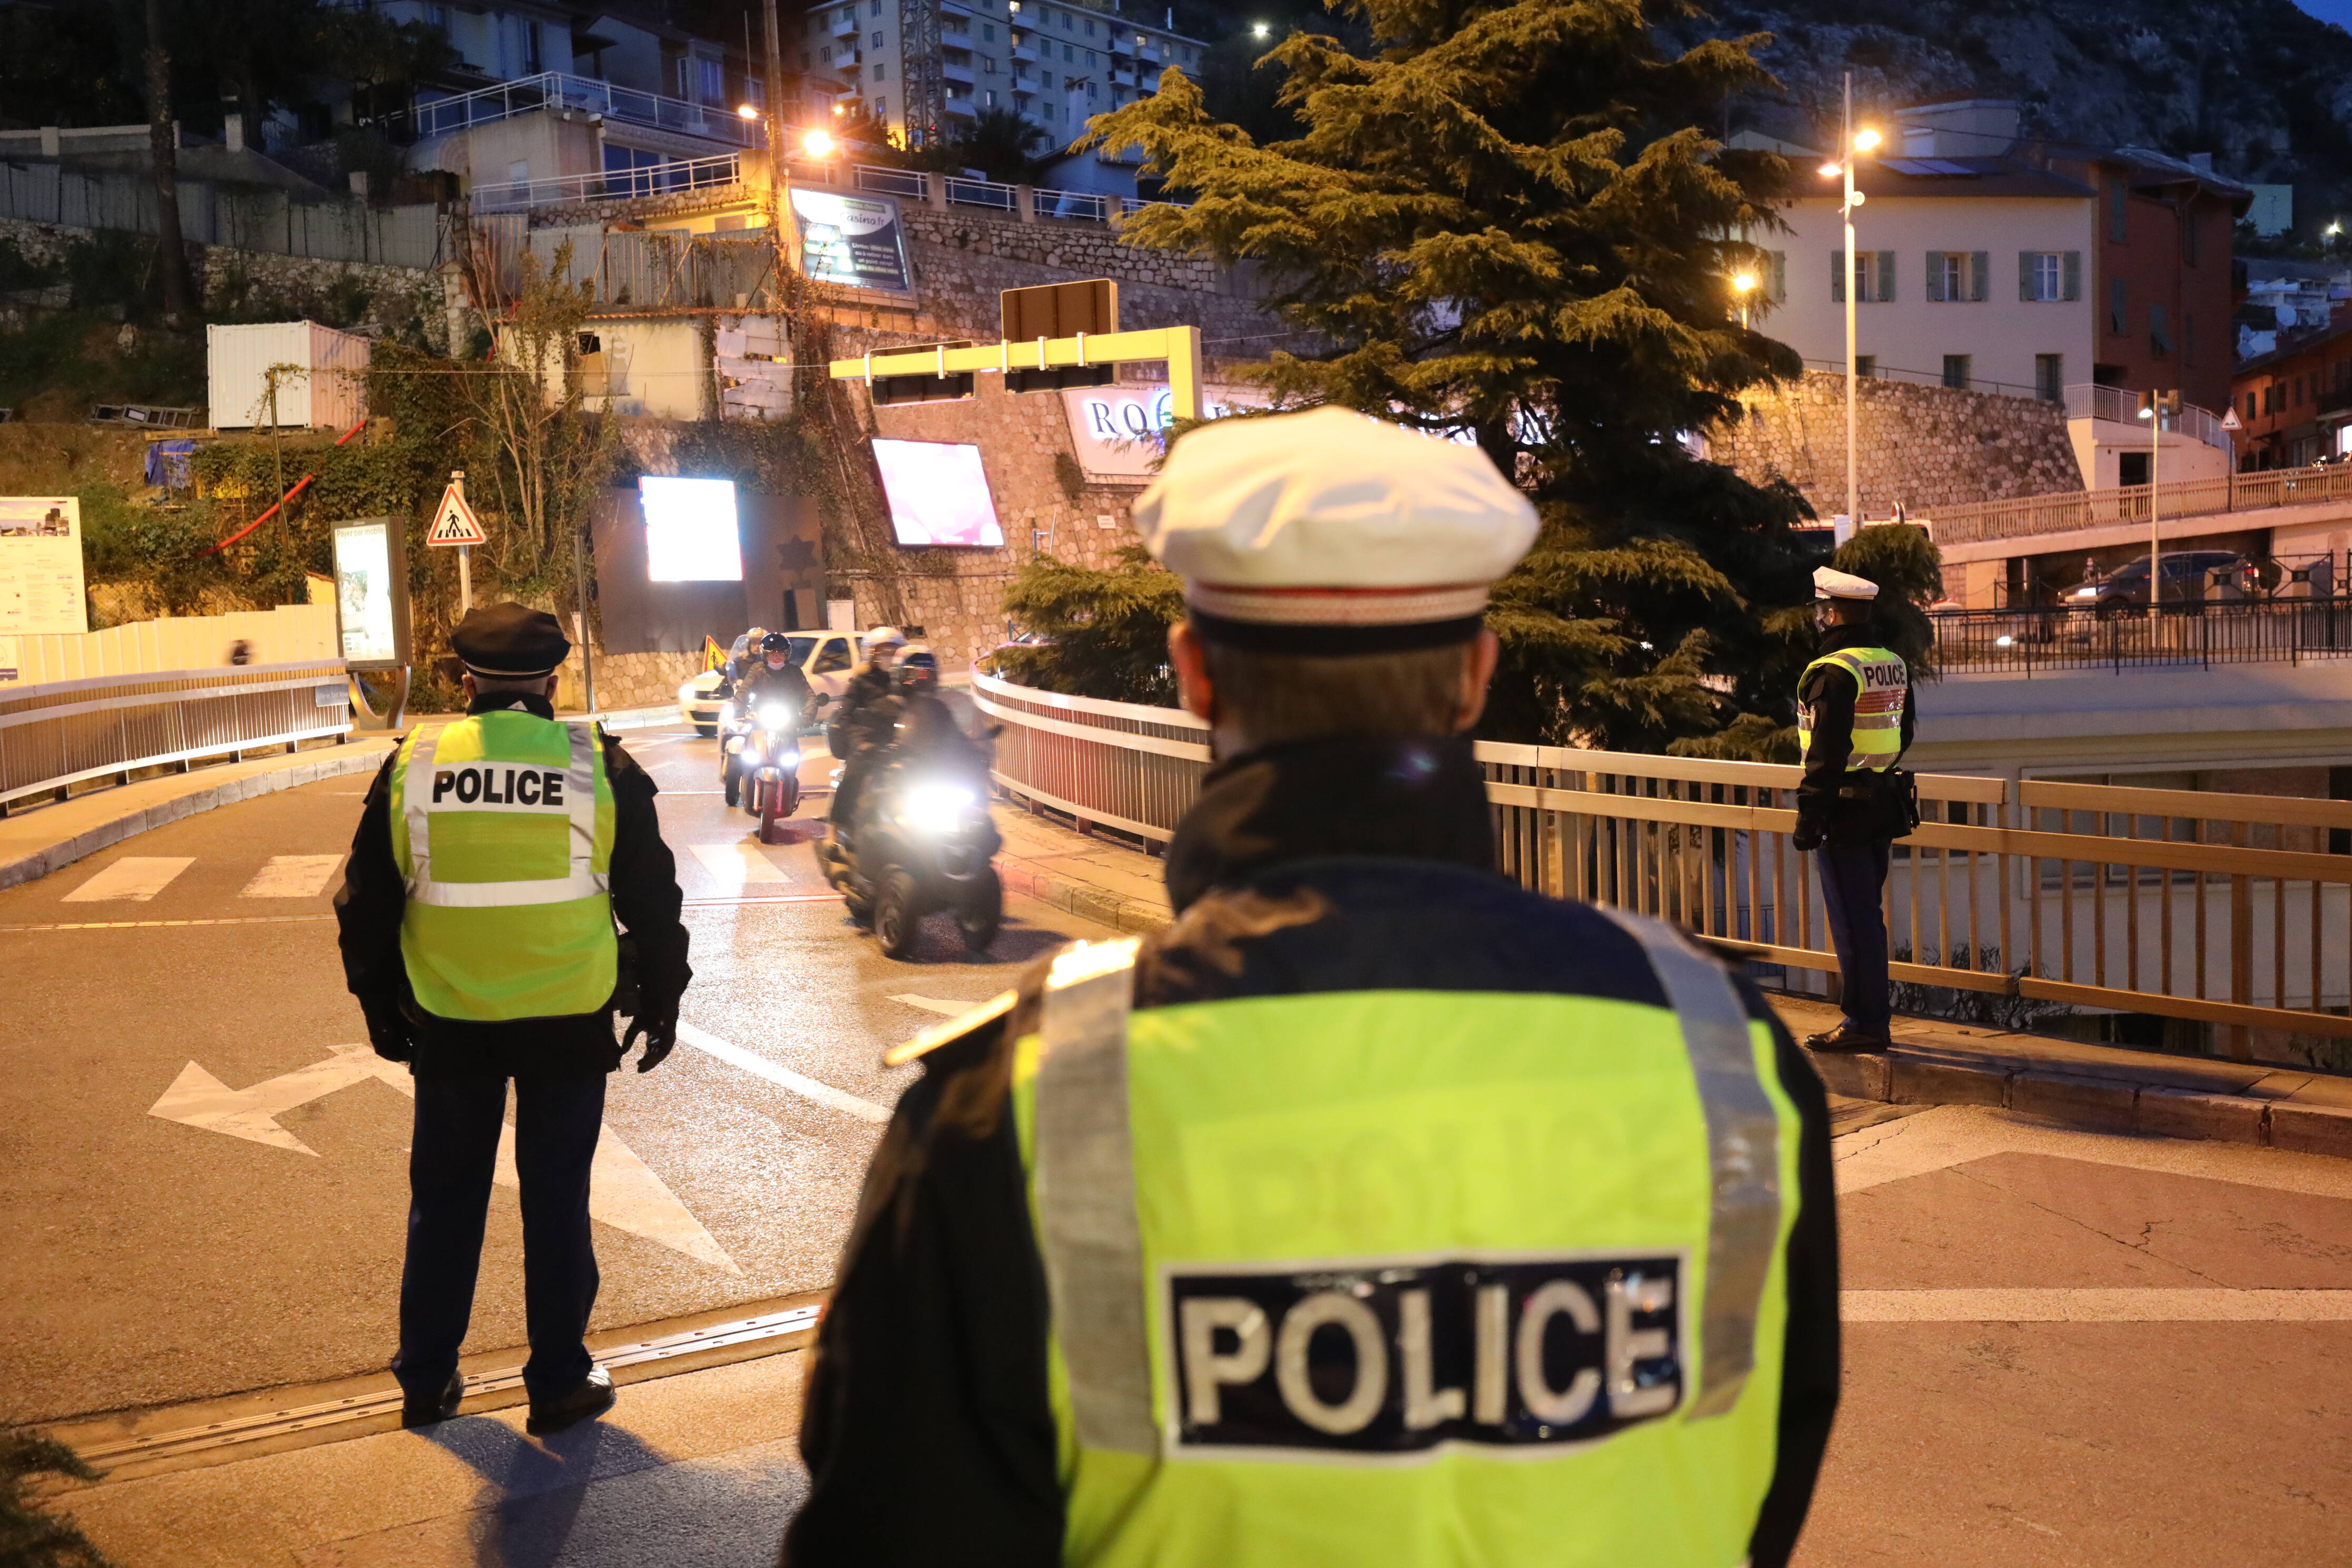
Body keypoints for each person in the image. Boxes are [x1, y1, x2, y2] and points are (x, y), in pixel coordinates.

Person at [781, 408, 1839, 1567]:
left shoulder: (1024, 1100)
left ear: (1194, 678)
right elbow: (1764, 1473)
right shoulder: (1724, 1049)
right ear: (1476, 676)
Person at [334, 603, 692, 1435]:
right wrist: (666, 998)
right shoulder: (597, 763)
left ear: (465, 683)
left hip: (450, 1019)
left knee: (445, 1199)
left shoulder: (414, 763)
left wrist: (380, 1008)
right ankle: (559, 1381)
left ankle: (426, 1379)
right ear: (553, 681)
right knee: (557, 1199)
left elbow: (365, 904)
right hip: (567, 1018)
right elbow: (652, 897)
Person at [1791, 565, 1916, 1053]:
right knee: (1868, 915)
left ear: (1832, 613)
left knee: (1853, 919)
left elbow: (1825, 752)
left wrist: (1810, 816)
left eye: (1821, 612)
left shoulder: (1834, 671)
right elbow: (1902, 734)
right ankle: (1870, 1017)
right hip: (1882, 802)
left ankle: (1865, 1023)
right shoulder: (1890, 662)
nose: (1819, 620)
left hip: (1843, 810)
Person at [823, 626, 908, 847]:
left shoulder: (907, 681)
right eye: (884, 651)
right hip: (869, 745)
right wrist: (860, 741)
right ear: (871, 653)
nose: (889, 656)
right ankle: (834, 829)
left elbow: (923, 709)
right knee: (852, 777)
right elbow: (846, 716)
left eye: (894, 651)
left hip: (902, 745)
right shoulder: (861, 682)